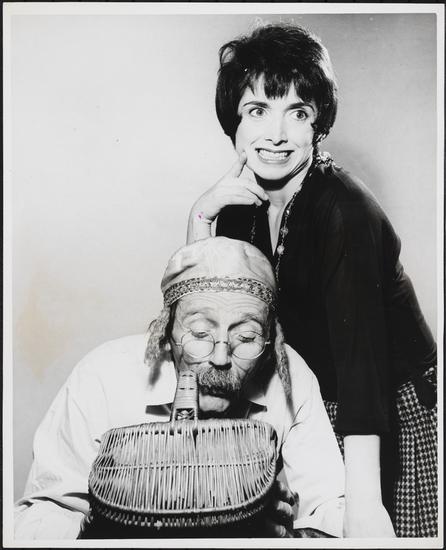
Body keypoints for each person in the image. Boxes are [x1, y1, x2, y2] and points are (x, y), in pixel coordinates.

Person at [187, 23, 437, 538]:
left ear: (318, 123)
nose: (276, 134)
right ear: (233, 121)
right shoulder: (237, 208)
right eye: (258, 111)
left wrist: (364, 505)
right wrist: (200, 217)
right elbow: (202, 319)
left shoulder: (345, 211)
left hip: (386, 415)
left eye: (297, 112)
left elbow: (363, 368)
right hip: (306, 408)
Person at [15, 237, 345, 540]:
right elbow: (40, 516)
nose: (220, 358)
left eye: (246, 337)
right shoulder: (101, 376)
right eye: (200, 333)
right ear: (165, 331)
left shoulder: (291, 376)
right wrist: (105, 531)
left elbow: (331, 509)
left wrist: (282, 538)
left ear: (270, 339)